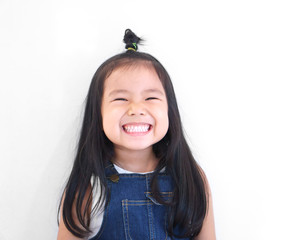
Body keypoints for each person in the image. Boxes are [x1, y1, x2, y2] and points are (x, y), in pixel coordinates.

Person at [57, 29, 216, 240]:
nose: (136, 109)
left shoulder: (190, 178)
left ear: (170, 110)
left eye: (150, 98)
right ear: (98, 114)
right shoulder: (88, 186)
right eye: (121, 99)